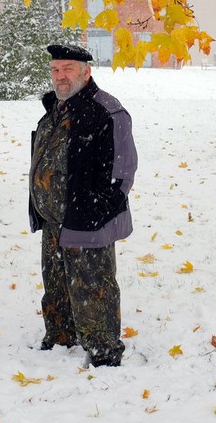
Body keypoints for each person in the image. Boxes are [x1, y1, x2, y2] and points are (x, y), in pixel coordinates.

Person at [28, 43, 138, 367]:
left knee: (94, 290)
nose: (60, 76)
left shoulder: (106, 110)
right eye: (56, 70)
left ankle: (104, 351)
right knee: (57, 285)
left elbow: (123, 170)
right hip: (54, 223)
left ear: (86, 72)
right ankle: (61, 337)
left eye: (68, 70)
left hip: (87, 219)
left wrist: (96, 212)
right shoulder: (55, 110)